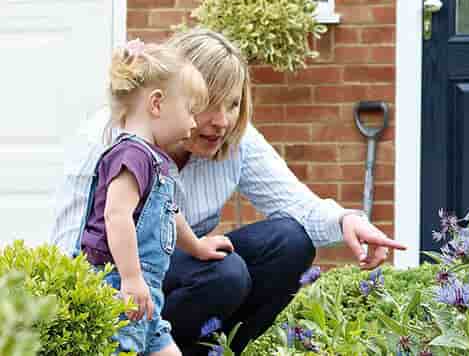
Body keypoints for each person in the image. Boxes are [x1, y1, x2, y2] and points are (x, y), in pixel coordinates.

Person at [53, 28, 405, 355]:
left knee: (289, 242)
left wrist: (346, 221)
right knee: (226, 273)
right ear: (170, 99)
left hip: (174, 281)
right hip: (121, 286)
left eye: (233, 105)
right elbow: (75, 247)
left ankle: (213, 350)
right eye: (209, 103)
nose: (222, 121)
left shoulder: (236, 139)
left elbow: (293, 203)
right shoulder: (111, 143)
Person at [78, 39, 234, 355]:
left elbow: (168, 212)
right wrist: (131, 278)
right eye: (190, 111)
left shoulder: (153, 159)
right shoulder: (131, 154)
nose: (193, 123)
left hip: (147, 297)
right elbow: (116, 216)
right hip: (118, 291)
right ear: (157, 104)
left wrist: (198, 247)